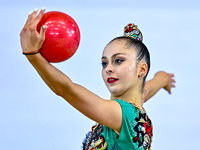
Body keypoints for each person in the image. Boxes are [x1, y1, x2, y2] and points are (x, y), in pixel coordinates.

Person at [20, 8, 175, 150]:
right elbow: (147, 89)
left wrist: (32, 54)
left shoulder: (122, 115)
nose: (108, 68)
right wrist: (162, 78)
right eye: (104, 63)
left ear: (142, 69)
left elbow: (66, 89)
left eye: (118, 60)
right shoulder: (136, 106)